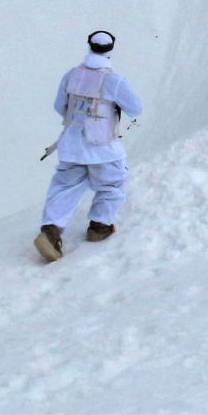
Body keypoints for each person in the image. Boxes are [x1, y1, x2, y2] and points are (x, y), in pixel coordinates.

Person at [34, 31, 144, 262]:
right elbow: (135, 108)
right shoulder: (114, 80)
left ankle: (51, 232)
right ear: (111, 49)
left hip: (71, 144)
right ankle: (99, 226)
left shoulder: (71, 75)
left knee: (64, 187)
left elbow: (59, 106)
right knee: (112, 184)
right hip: (102, 146)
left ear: (89, 46)